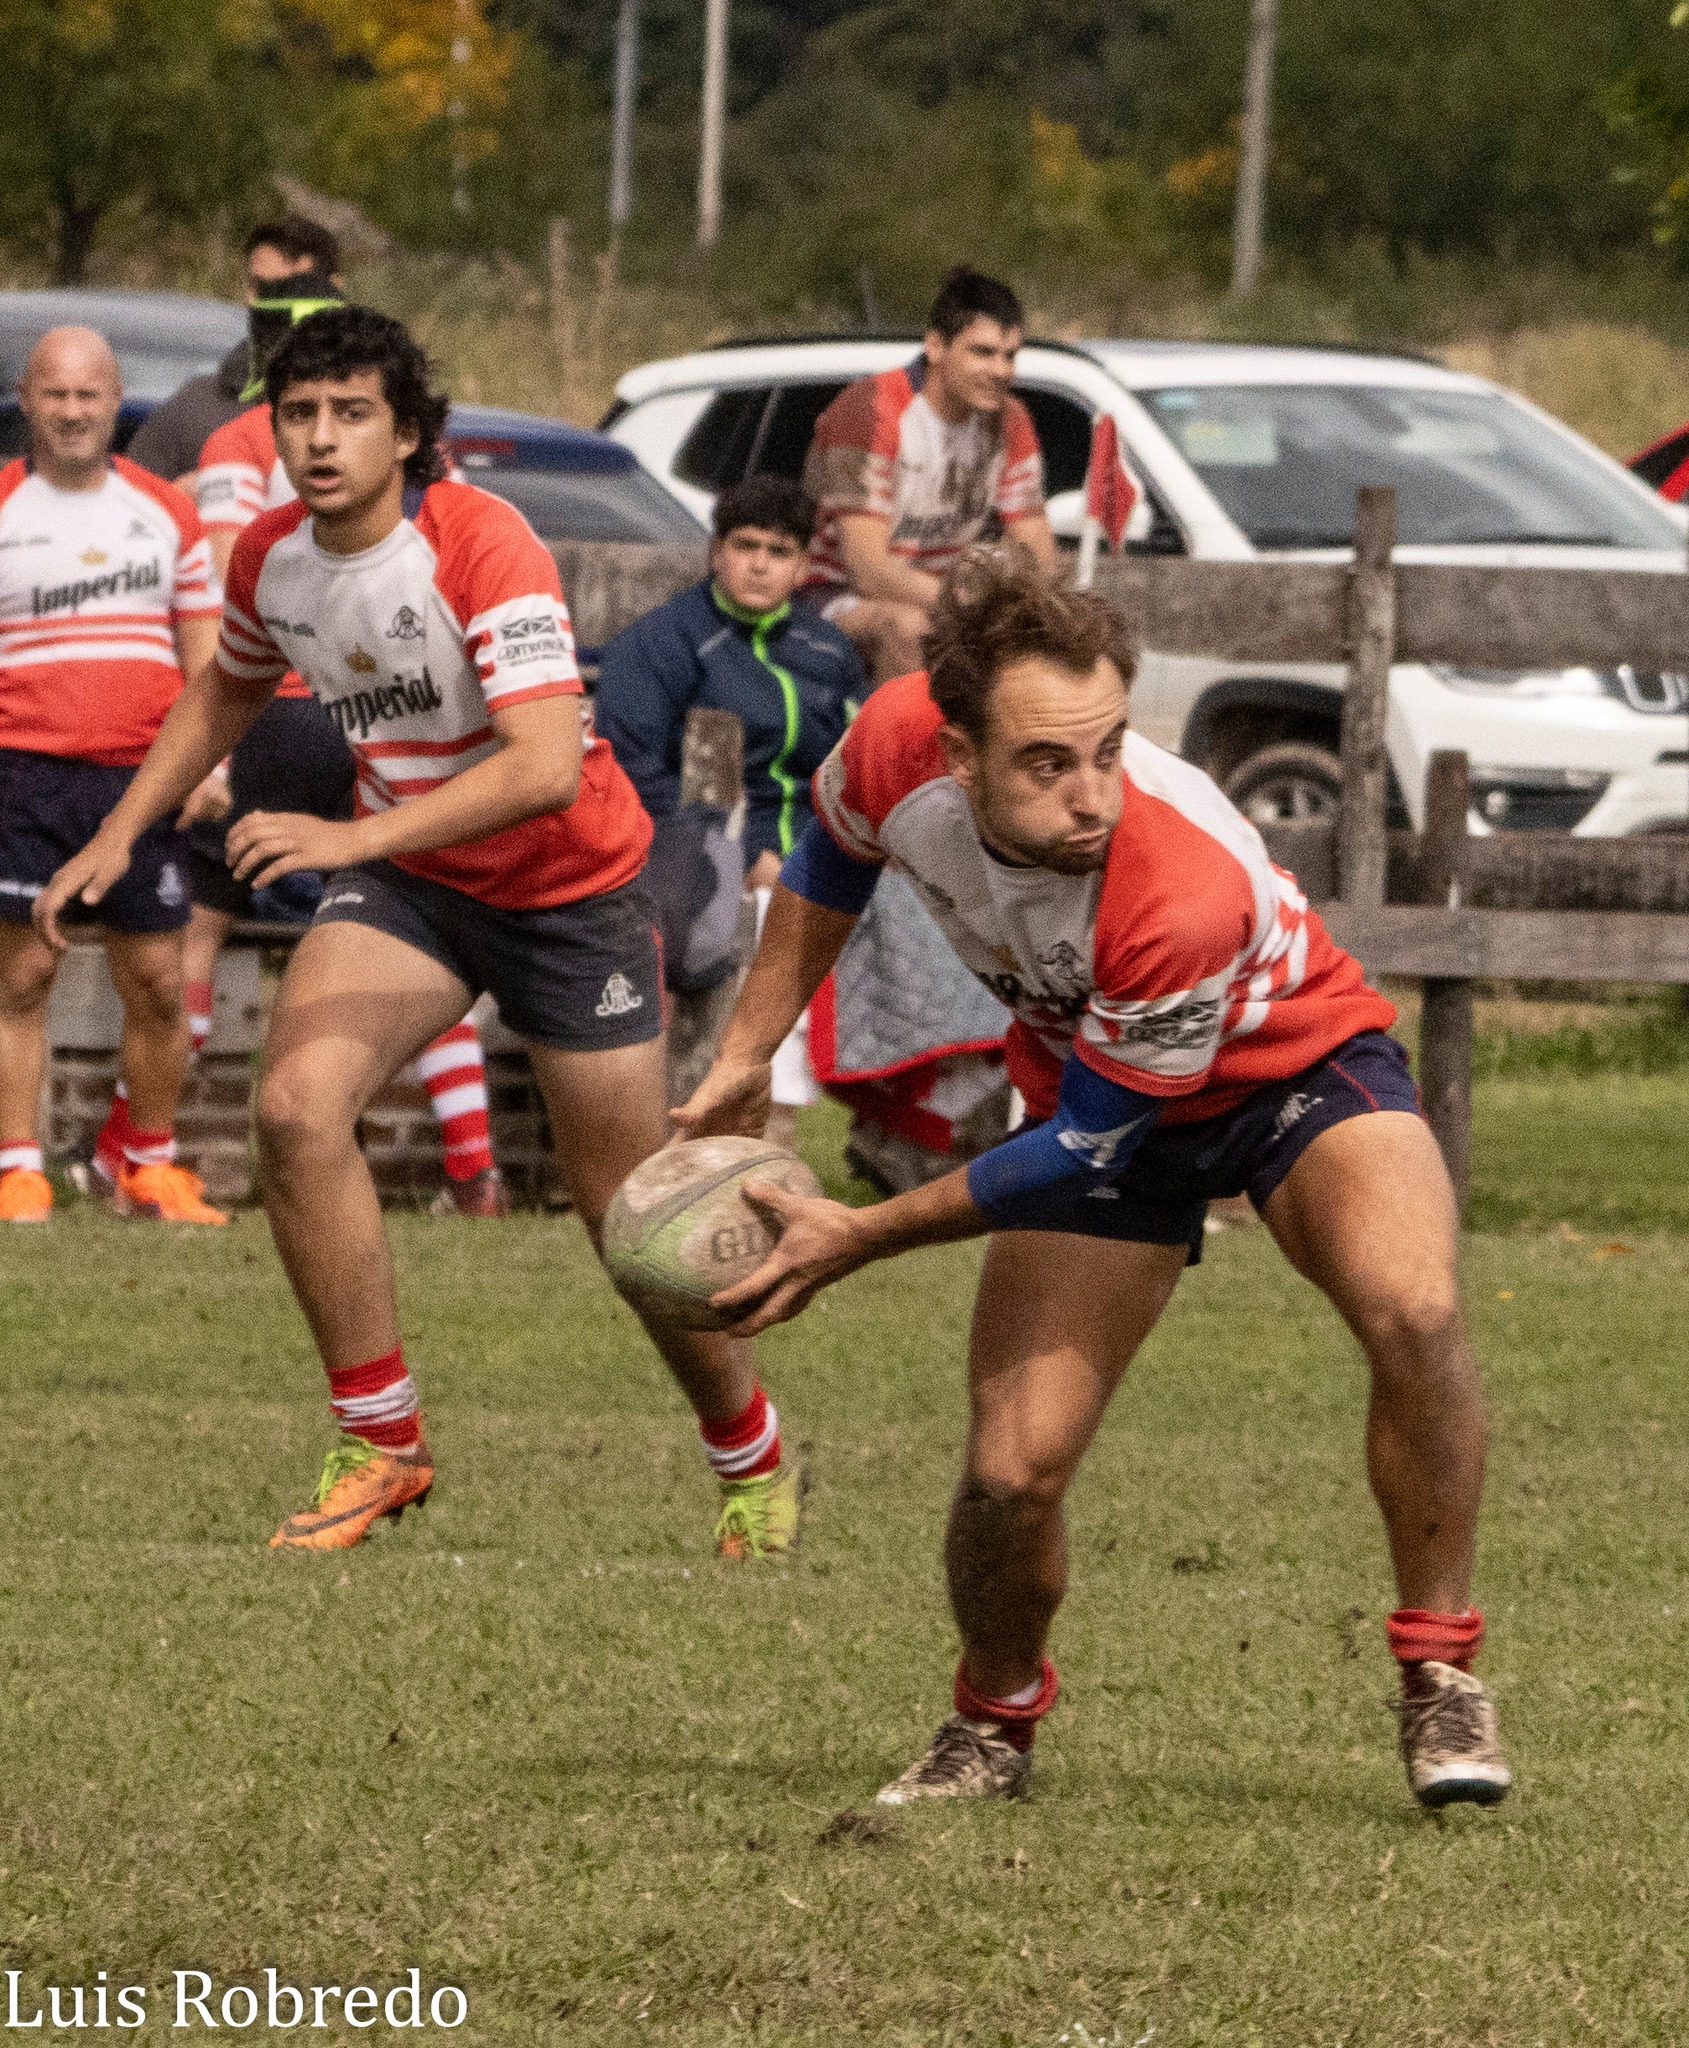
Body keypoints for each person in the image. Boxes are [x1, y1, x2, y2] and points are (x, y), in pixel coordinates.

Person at [674, 548, 1512, 1813]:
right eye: (1048, 763)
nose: (1094, 796)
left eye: (1111, 749)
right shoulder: (895, 743)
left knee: (1418, 1305)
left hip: (1292, 1066)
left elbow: (1080, 1148)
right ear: (958, 754)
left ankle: (1439, 1667)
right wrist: (749, 1047)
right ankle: (991, 1725)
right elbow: (833, 858)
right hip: (1096, 1090)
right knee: (1010, 1473)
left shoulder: (1178, 885)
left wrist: (858, 1231)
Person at [35, 306, 800, 1564]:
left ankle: (749, 1452)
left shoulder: (483, 541)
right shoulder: (271, 554)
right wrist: (123, 830)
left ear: (406, 434)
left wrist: (348, 838)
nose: (319, 438)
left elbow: (545, 767)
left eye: (351, 413)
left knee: (629, 1221)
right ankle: (380, 1438)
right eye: (298, 413)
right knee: (295, 1108)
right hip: (418, 884)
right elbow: (226, 686)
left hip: (572, 893)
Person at [157, 269, 511, 1219]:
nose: (320, 431)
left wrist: (217, 757)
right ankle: (474, 1165)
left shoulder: (237, 439)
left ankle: (147, 1139)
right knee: (418, 930)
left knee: (205, 925)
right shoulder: (401, 443)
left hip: (285, 716)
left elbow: (228, 576)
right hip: (372, 726)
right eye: (304, 409)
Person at [0, 329, 227, 1226]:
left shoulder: (165, 510)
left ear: (116, 399)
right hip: (22, 773)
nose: (72, 411)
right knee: (22, 977)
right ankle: (17, 1170)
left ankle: (147, 1166)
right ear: (27, 399)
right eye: (55, 394)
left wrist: (212, 761)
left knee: (160, 982)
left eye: (89, 394)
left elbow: (207, 652)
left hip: (143, 780)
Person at [594, 475, 865, 1138]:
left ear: (803, 566)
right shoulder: (663, 643)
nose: (759, 564)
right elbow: (632, 772)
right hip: (697, 853)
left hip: (820, 856)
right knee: (761, 919)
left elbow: (857, 768)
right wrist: (745, 858)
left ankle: (910, 1136)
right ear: (717, 552)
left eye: (778, 551)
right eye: (745, 546)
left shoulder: (828, 652)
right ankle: (755, 1131)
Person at [802, 266, 1055, 687]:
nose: (1000, 370)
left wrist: (1036, 606)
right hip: (830, 592)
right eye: (982, 352)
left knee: (1040, 633)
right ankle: (900, 733)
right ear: (936, 346)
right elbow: (868, 569)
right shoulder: (871, 408)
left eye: (1010, 355)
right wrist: (974, 606)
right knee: (909, 629)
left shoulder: (1010, 419)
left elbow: (1035, 546)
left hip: (943, 596)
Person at [126, 216, 345, 488]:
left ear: (334, 290)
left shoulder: (380, 403)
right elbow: (126, 500)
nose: (268, 301)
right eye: (259, 286)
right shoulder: (196, 406)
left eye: (291, 287)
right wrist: (181, 497)